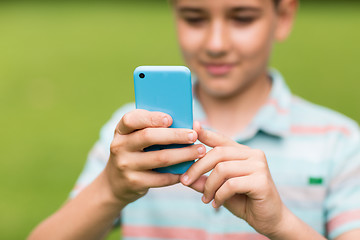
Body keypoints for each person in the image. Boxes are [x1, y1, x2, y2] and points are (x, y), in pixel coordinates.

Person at [29, 0, 360, 239]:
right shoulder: (134, 134)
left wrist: (282, 224)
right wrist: (111, 189)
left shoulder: (339, 143)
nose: (216, 44)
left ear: (284, 16)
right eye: (194, 18)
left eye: (242, 18)